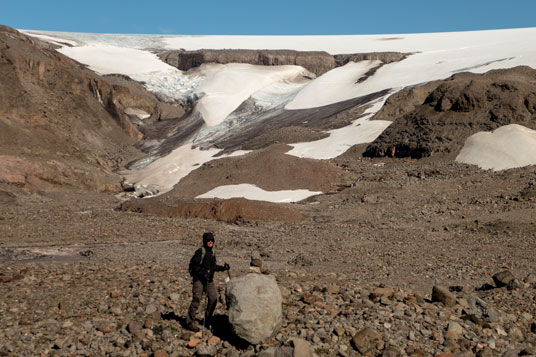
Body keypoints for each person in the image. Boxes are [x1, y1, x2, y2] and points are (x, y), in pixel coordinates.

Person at [186, 232, 230, 332]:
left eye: (212, 240)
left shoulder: (212, 252)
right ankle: (189, 321)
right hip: (199, 280)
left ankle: (208, 317)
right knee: (196, 299)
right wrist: (203, 272)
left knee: (214, 298)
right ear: (205, 241)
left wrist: (223, 268)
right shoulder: (200, 252)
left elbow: (213, 267)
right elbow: (194, 266)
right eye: (208, 240)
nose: (210, 242)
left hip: (209, 280)